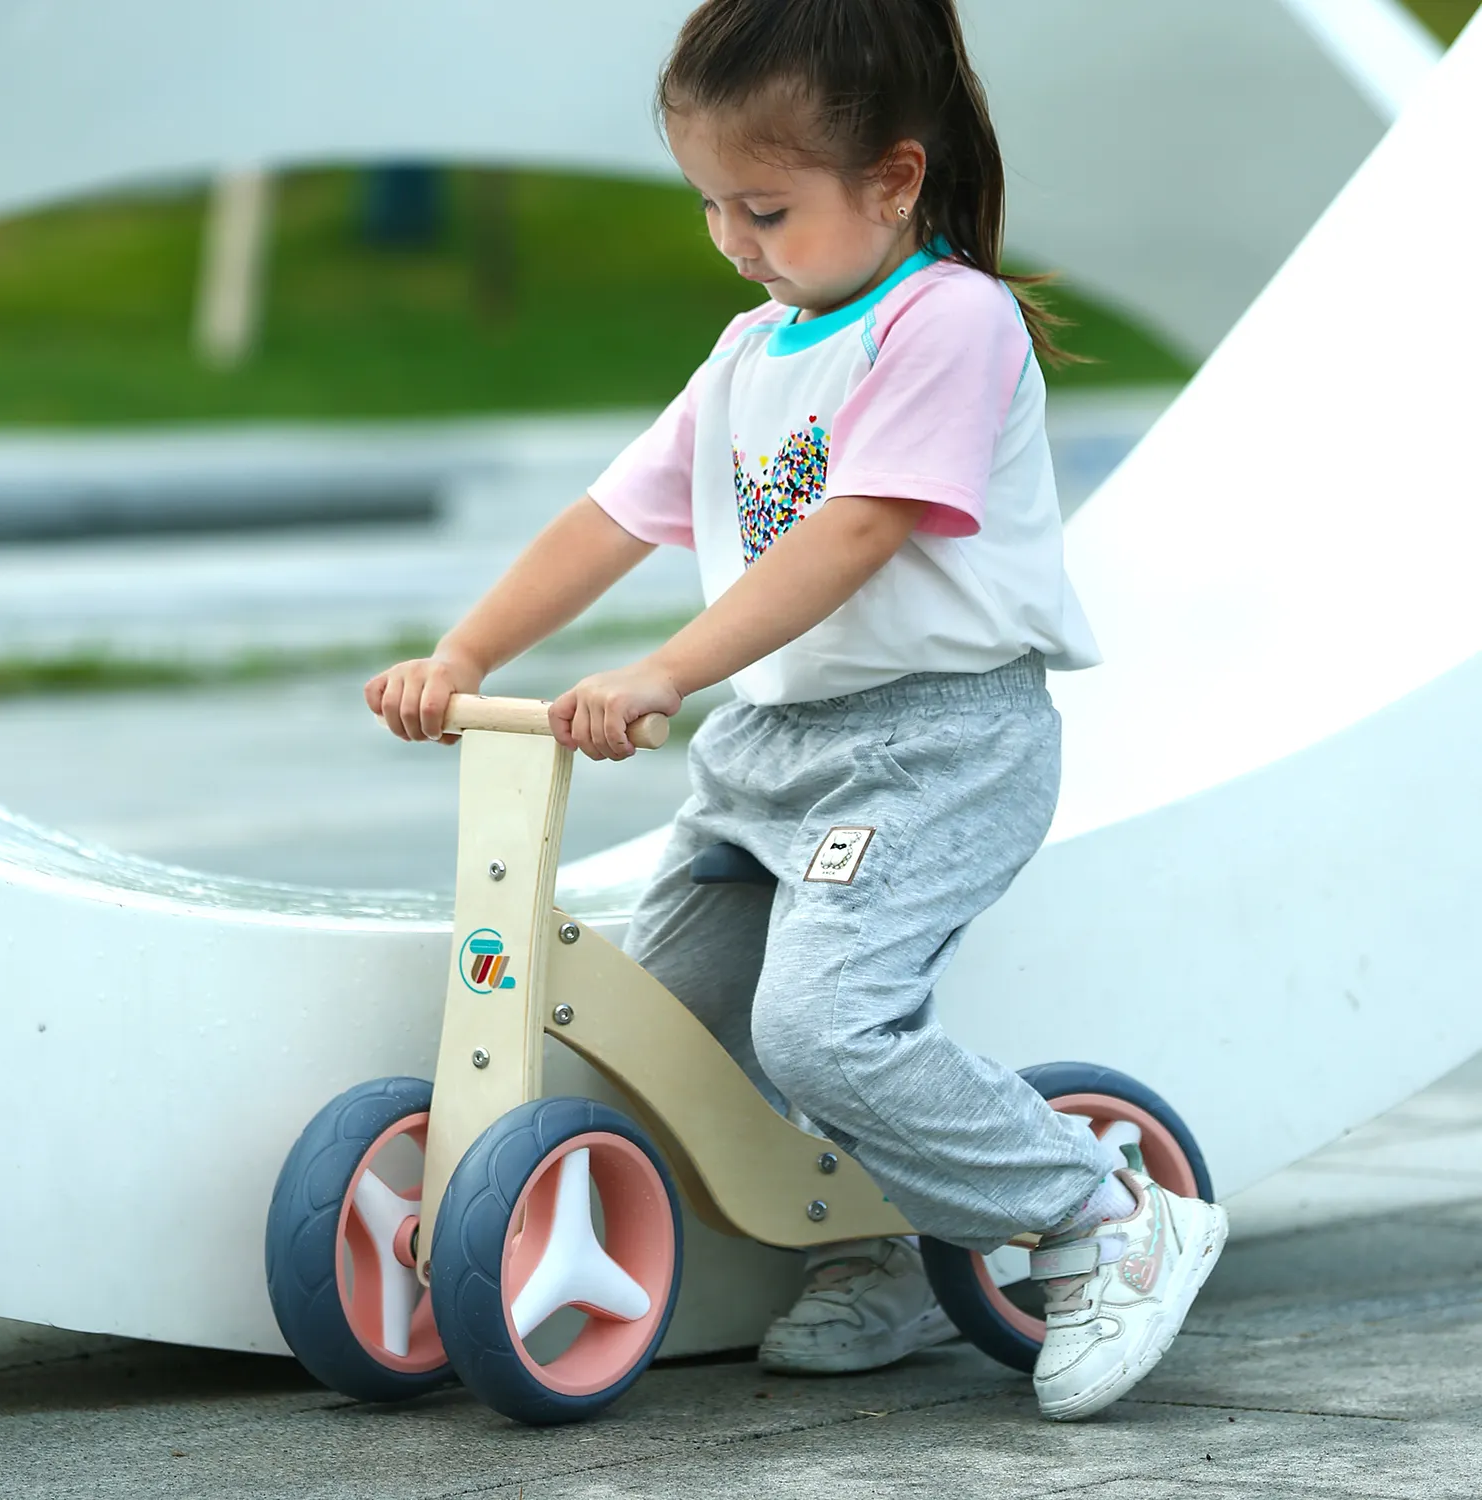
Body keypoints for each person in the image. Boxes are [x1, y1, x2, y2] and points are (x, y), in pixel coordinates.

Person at [366, 0, 1226, 1422]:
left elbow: (852, 535)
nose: (735, 240)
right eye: (712, 205)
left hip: (933, 746)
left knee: (825, 1025)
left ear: (894, 180)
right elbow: (608, 518)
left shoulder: (948, 323)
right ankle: (874, 1236)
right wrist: (461, 654)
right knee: (673, 1022)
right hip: (773, 756)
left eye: (766, 206)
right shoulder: (752, 350)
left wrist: (665, 671)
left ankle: (1103, 1212)